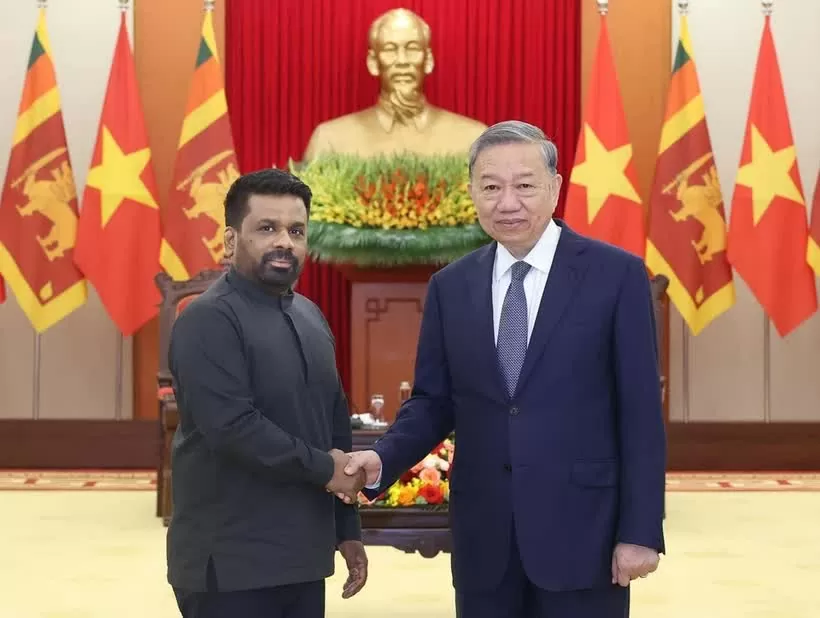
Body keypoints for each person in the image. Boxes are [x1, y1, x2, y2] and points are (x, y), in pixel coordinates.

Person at [342, 121, 667, 618]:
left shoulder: (615, 275)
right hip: (484, 539)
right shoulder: (452, 286)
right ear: (472, 192)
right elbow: (434, 401)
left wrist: (640, 532)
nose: (507, 202)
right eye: (491, 187)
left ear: (555, 188)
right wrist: (382, 459)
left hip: (585, 536)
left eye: (525, 185)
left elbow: (640, 414)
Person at [166, 168, 368, 618]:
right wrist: (326, 469)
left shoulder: (311, 316)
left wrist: (346, 527)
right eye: (267, 228)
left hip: (302, 559)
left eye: (296, 230)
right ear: (231, 241)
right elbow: (233, 429)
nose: (285, 242)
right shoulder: (207, 320)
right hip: (232, 564)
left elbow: (332, 421)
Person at [302, 8, 486, 160]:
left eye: (412, 48)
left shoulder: (471, 138)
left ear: (428, 60)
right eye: (390, 50)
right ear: (373, 62)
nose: (402, 61)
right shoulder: (330, 141)